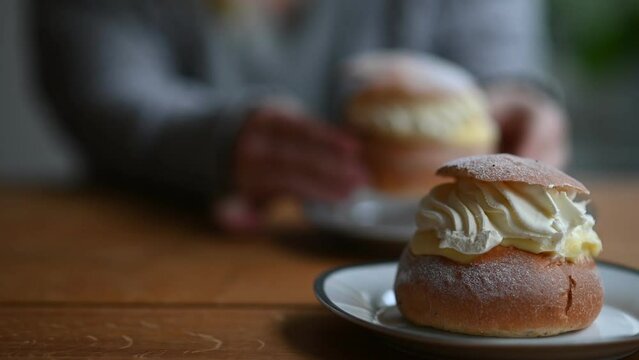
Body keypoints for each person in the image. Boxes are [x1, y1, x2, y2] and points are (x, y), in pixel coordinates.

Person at [32, 0, 567, 231]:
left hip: (424, 248)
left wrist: (515, 98)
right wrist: (214, 144)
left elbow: (498, 54)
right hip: (148, 245)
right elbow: (99, 90)